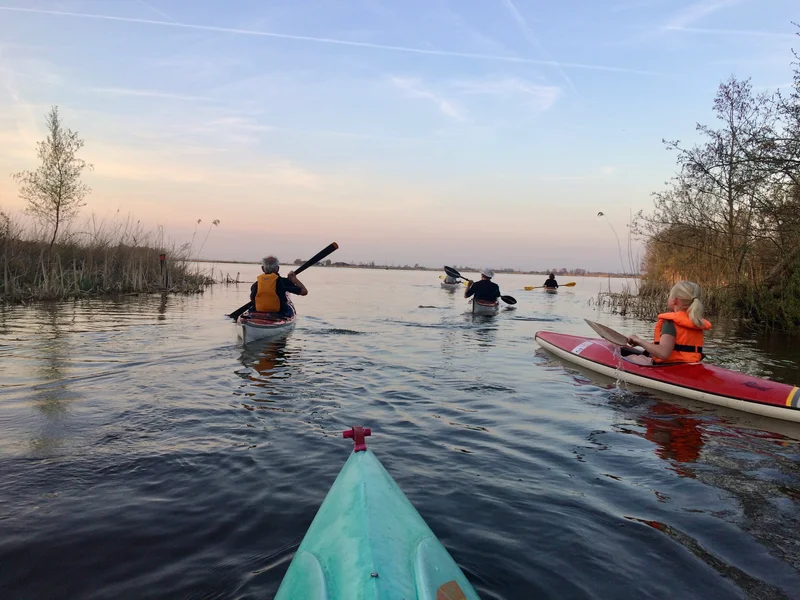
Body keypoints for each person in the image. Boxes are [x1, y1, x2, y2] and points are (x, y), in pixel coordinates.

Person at [626, 281, 711, 365]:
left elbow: (663, 354)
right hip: (689, 365)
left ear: (674, 300)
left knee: (632, 357)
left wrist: (638, 341)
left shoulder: (669, 322)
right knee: (642, 357)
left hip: (670, 368)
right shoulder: (696, 322)